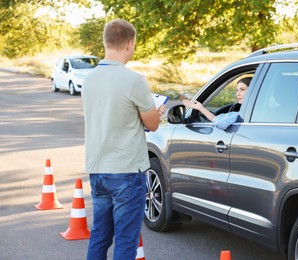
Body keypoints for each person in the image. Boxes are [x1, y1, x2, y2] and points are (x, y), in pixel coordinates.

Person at [82, 19, 166, 260]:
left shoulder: (89, 79)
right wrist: (155, 113)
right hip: (127, 171)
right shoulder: (134, 80)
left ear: (106, 42)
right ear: (130, 44)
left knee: (100, 235)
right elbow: (151, 124)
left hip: (97, 168)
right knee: (126, 241)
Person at [182, 77, 252, 129]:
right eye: (237, 90)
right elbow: (216, 120)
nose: (237, 94)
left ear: (253, 91)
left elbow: (218, 121)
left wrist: (200, 108)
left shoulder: (239, 115)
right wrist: (200, 108)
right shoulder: (255, 112)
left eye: (242, 89)